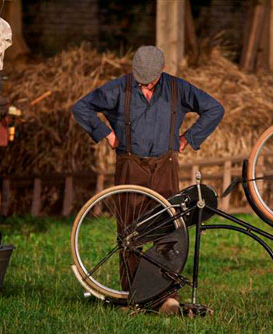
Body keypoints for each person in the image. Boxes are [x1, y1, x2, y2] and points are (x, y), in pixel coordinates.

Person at [72, 45, 224, 314]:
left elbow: (214, 109)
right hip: (130, 165)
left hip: (165, 165)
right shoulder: (119, 88)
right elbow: (81, 107)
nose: (144, 84)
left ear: (161, 72)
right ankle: (135, 295)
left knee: (168, 229)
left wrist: (188, 138)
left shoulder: (177, 89)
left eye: (150, 80)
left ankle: (166, 297)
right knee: (130, 233)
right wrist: (106, 134)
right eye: (140, 79)